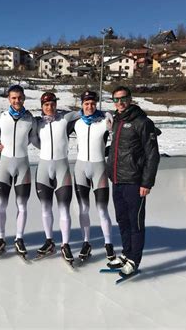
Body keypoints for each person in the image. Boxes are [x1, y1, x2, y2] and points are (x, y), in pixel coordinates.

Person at [106, 86, 160, 276]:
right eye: (116, 99)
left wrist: (147, 183)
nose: (120, 103)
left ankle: (134, 260)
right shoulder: (116, 120)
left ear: (130, 99)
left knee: (135, 222)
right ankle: (127, 253)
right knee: (122, 220)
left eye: (123, 99)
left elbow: (152, 155)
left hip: (134, 181)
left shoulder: (142, 122)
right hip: (117, 179)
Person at [33, 92, 79, 263]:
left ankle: (65, 244)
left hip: (62, 168)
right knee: (45, 208)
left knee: (64, 209)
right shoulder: (38, 123)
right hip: (44, 169)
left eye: (52, 104)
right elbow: (30, 138)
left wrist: (108, 114)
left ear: (56, 104)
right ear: (42, 107)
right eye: (46, 105)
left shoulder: (65, 119)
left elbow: (87, 111)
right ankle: (49, 241)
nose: (49, 107)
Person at [0, 85, 37, 258]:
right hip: (4, 165)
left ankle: (19, 238)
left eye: (19, 98)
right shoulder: (1, 117)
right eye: (13, 98)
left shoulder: (30, 119)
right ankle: (1, 239)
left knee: (22, 205)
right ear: (9, 99)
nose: (17, 101)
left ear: (24, 98)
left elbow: (35, 139)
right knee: (1, 204)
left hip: (23, 165)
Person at [73, 90, 116, 262]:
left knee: (102, 209)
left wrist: (109, 118)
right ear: (81, 104)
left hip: (99, 169)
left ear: (96, 104)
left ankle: (108, 244)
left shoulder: (104, 121)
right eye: (86, 103)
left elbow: (116, 137)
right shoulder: (76, 123)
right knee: (83, 209)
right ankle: (86, 243)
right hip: (80, 169)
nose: (89, 106)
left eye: (92, 103)